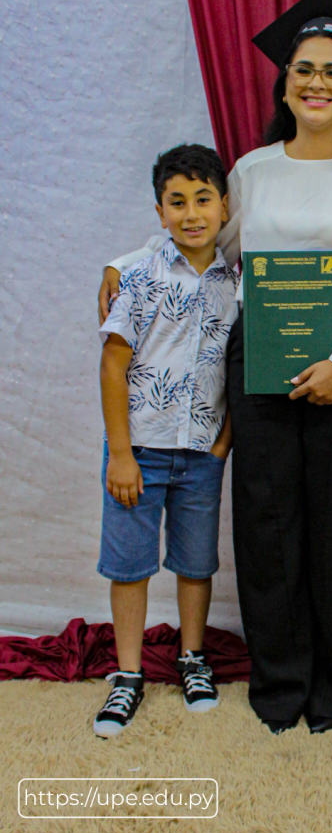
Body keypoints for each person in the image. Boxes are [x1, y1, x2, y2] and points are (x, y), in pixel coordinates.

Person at [97, 0, 332, 735]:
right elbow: (211, 253)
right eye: (303, 68)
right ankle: (281, 687)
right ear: (285, 81)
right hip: (263, 355)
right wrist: (129, 260)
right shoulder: (249, 170)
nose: (316, 82)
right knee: (269, 528)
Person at [94, 144, 238, 738]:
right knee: (129, 564)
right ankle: (127, 674)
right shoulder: (139, 274)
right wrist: (121, 453)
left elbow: (241, 364)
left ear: (224, 206)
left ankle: (192, 657)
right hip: (142, 448)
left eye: (203, 199)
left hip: (202, 449)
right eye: (176, 202)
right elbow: (113, 362)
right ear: (159, 212)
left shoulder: (238, 280)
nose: (191, 213)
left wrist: (224, 440)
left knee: (195, 559)